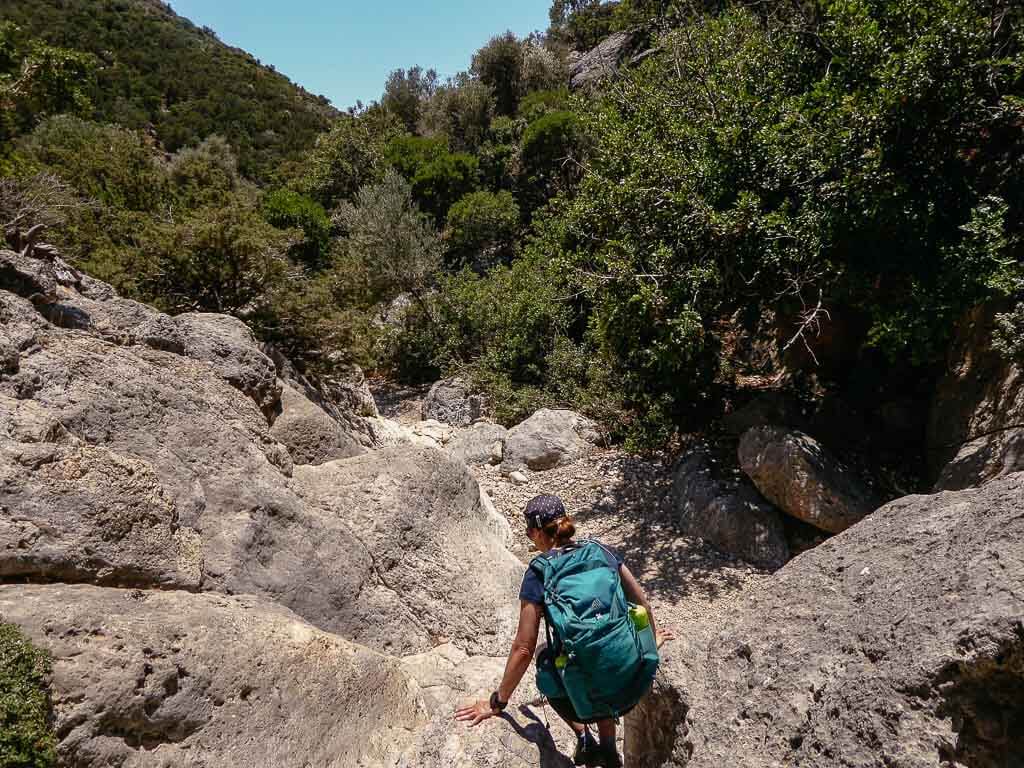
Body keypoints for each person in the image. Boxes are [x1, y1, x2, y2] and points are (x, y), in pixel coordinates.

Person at [455, 494, 670, 768]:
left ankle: (583, 736)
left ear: (536, 532)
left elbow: (523, 648)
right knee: (597, 652)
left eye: (528, 532)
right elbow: (643, 604)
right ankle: (608, 752)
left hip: (591, 690)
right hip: (631, 679)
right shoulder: (600, 549)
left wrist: (497, 702)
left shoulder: (539, 572)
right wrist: (652, 642)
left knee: (547, 658)